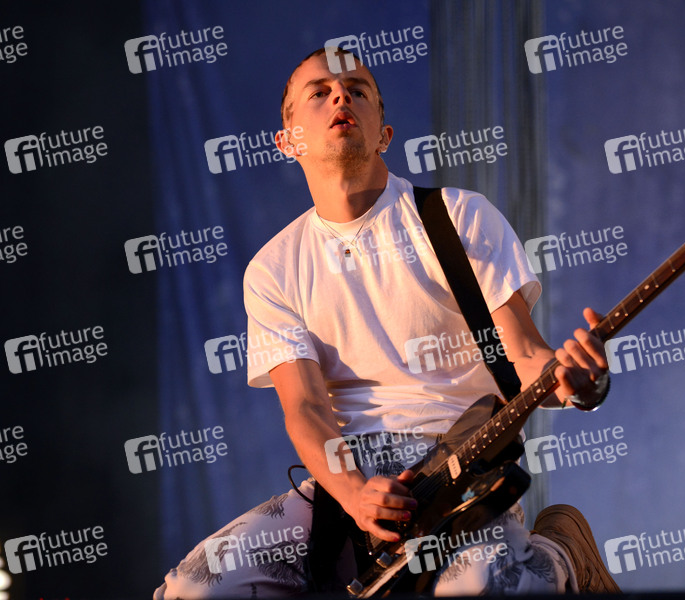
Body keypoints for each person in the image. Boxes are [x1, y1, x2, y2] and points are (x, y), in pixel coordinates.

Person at [154, 47, 619, 598]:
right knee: (194, 590)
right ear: (287, 141)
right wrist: (354, 493)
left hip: (458, 466)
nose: (340, 96)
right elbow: (305, 408)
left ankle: (561, 552)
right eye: (320, 92)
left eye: (357, 89)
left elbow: (523, 355)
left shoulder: (458, 217)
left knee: (485, 588)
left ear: (384, 134)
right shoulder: (273, 268)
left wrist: (580, 386)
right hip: (347, 482)